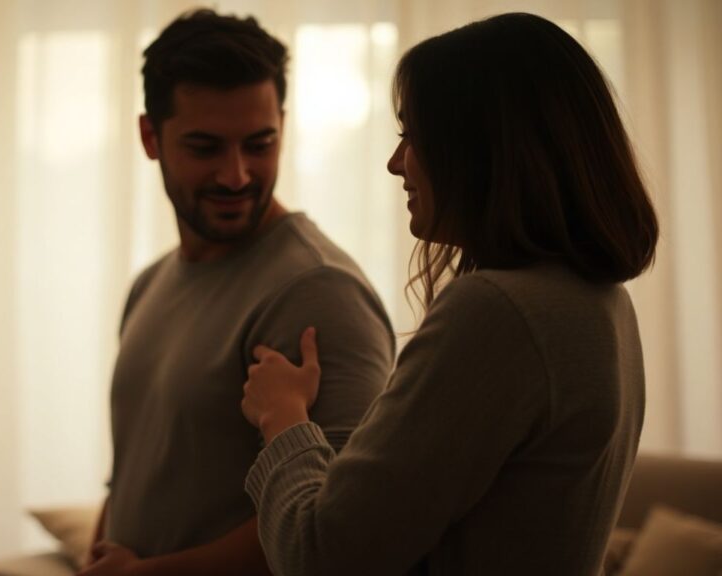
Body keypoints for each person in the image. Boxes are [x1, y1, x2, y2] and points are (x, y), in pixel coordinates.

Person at [241, 12, 659, 576]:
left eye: (411, 136)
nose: (396, 164)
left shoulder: (498, 313)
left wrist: (282, 415)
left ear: (482, 149)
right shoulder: (604, 306)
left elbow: (321, 555)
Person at [77, 9, 395, 576]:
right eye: (205, 147)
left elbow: (346, 526)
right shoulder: (150, 284)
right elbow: (133, 474)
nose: (237, 175)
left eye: (259, 143)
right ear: (150, 137)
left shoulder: (318, 292)